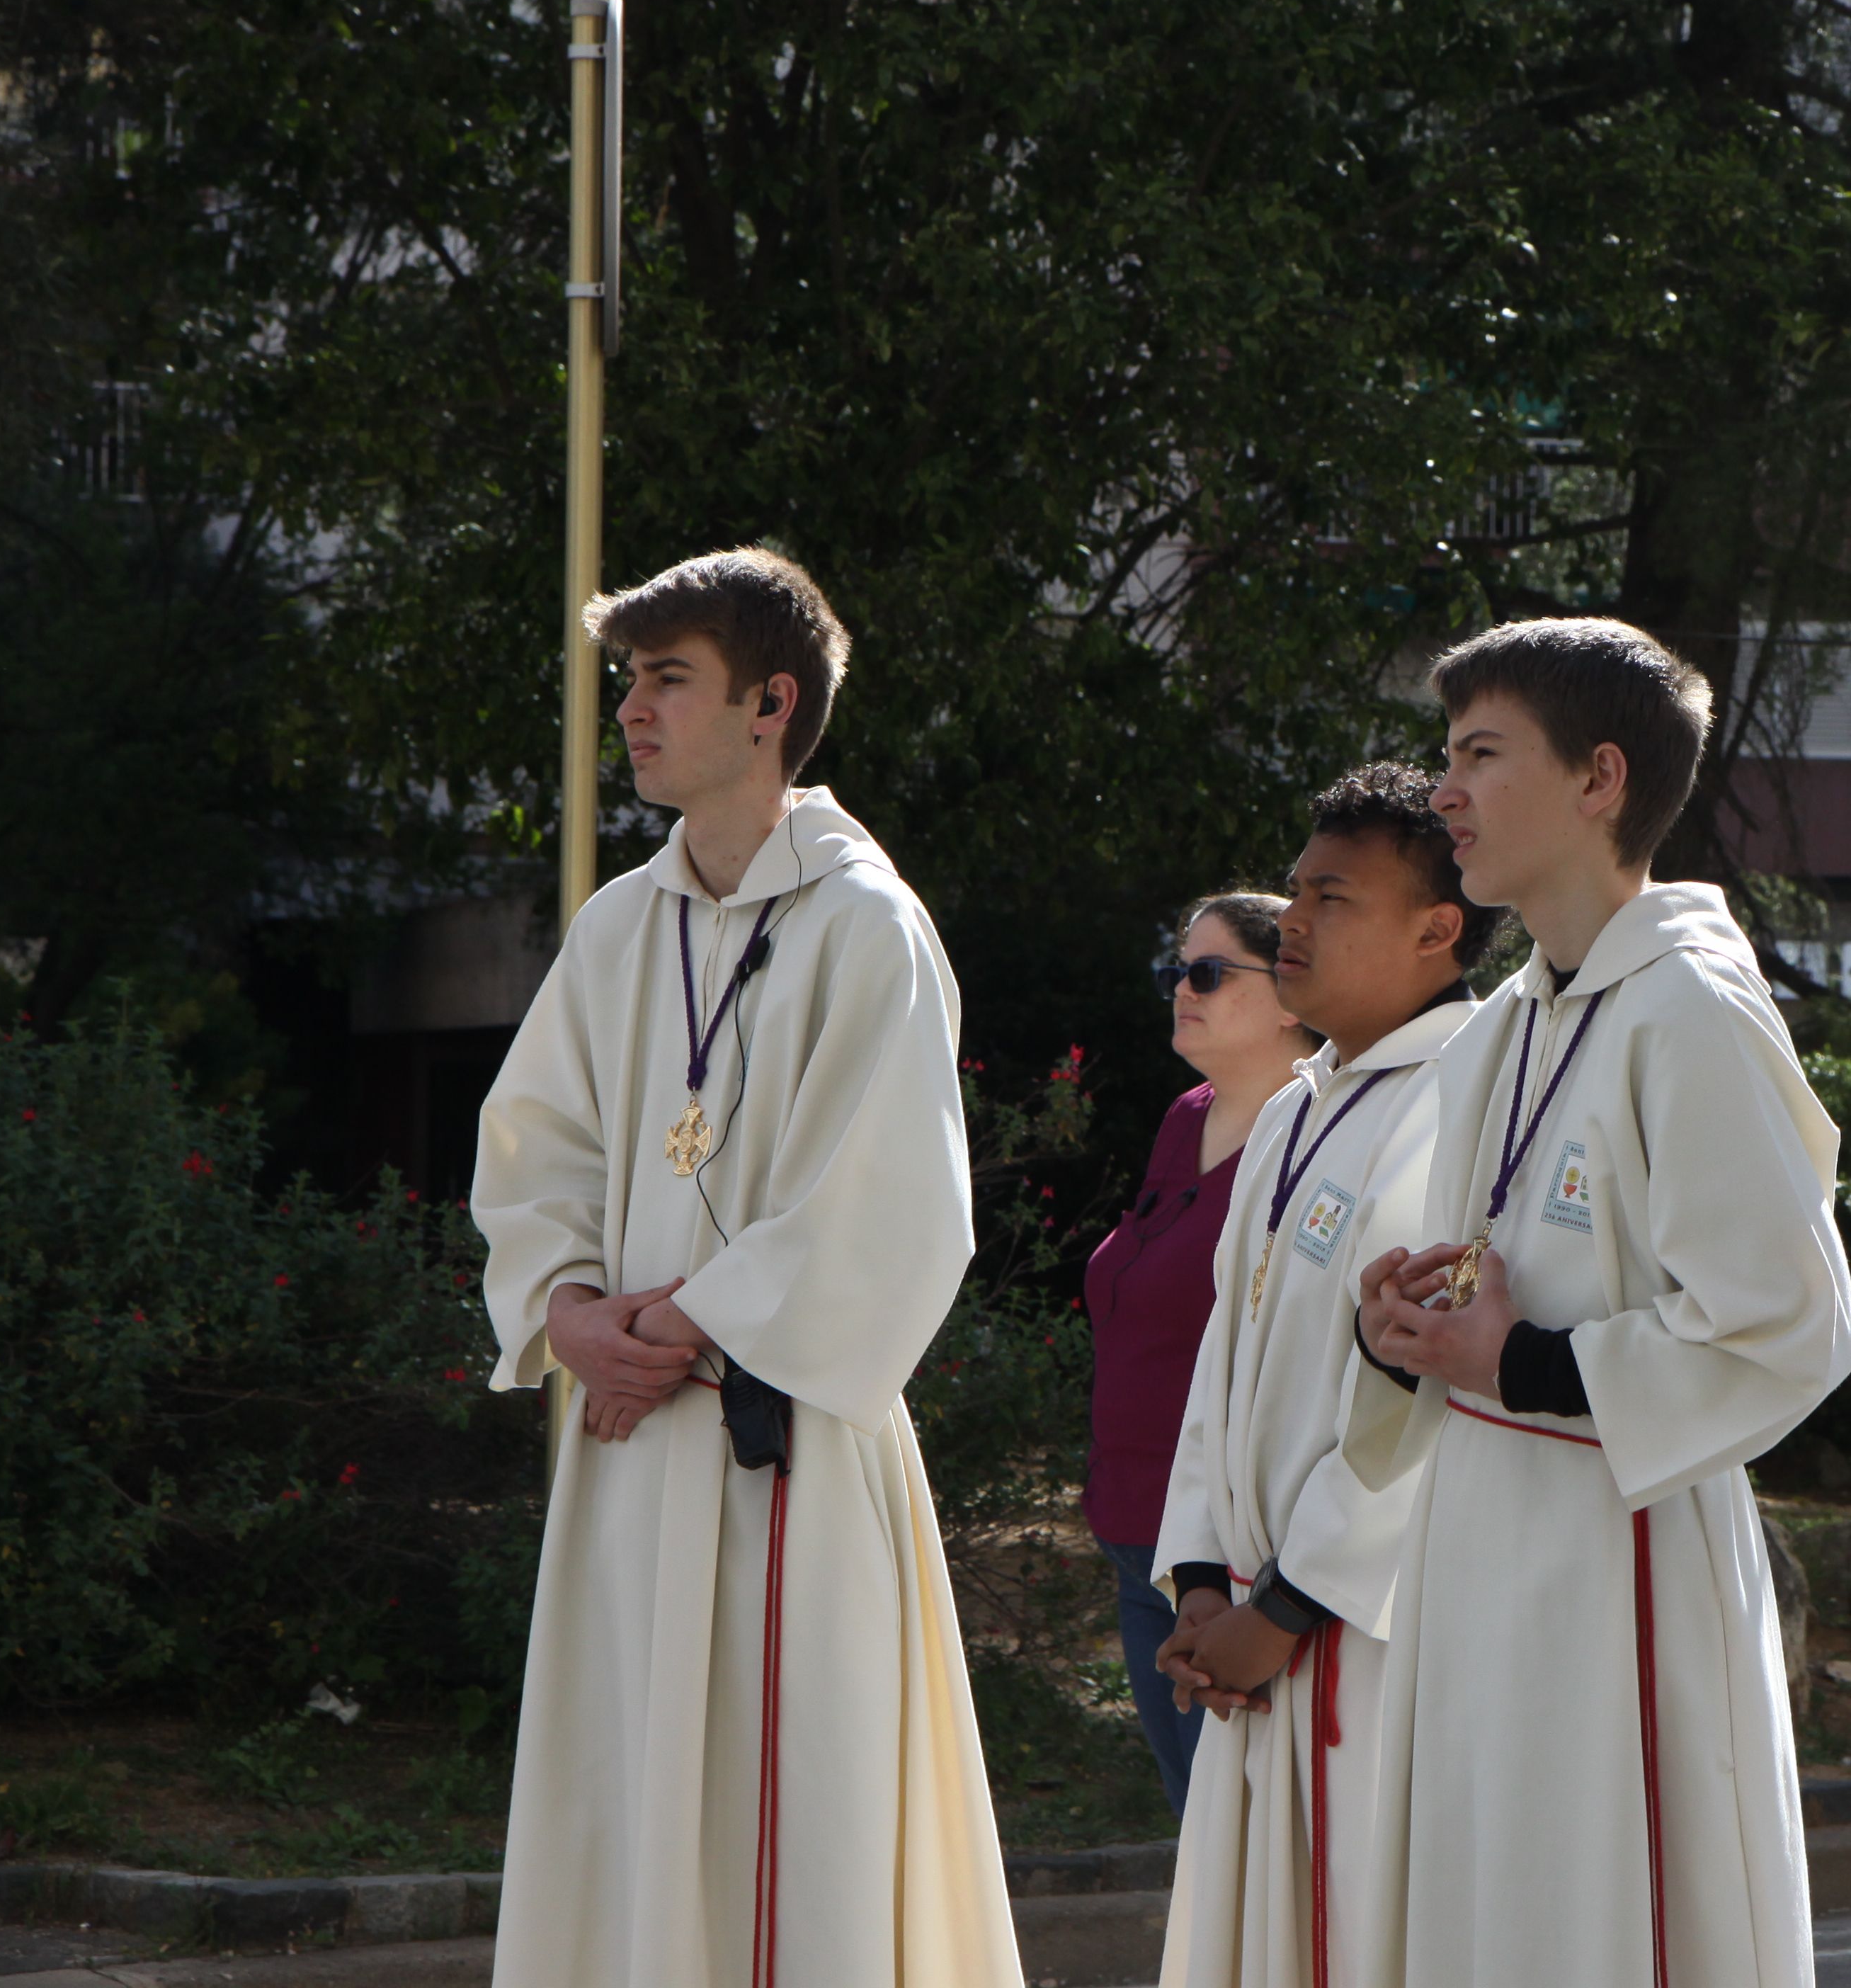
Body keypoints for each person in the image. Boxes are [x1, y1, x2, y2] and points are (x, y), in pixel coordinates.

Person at [474, 547, 1023, 1988]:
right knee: (624, 1807)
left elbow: (896, 1209)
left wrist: (673, 1328)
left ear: (771, 702)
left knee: (795, 1829)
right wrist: (567, 1313)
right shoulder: (619, 927)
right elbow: (534, 1154)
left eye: (668, 681)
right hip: (625, 1438)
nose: (635, 713)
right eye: (628, 683)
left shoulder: (864, 925)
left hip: (777, 1442)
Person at [1343, 617, 1851, 1988]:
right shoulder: (1509, 1021)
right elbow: (1487, 1291)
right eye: (1445, 756)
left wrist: (1520, 1361)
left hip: (1612, 1565)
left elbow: (1794, 1325)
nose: (1441, 791)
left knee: (1599, 1931)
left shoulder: (1687, 1007)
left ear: (1599, 780)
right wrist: (1402, 1329)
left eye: (1480, 755)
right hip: (1476, 1551)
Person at [1150, 763, 1498, 1988]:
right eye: (1294, 890)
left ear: (1435, 927)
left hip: (1359, 1629)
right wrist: (1199, 1579)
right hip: (1245, 1620)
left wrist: (1287, 1606)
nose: (1292, 919)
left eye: (1332, 897)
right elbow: (1224, 1360)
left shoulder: (1467, 1098)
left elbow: (1423, 1394)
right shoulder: (1295, 1107)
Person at [1090, 892, 1316, 1815]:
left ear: (1292, 1000)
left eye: (1210, 973)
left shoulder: (1313, 1139)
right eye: (1175, 970)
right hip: (1135, 1537)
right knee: (1199, 1834)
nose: (1182, 988)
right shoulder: (1188, 1116)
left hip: (1230, 1562)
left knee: (1245, 1844)